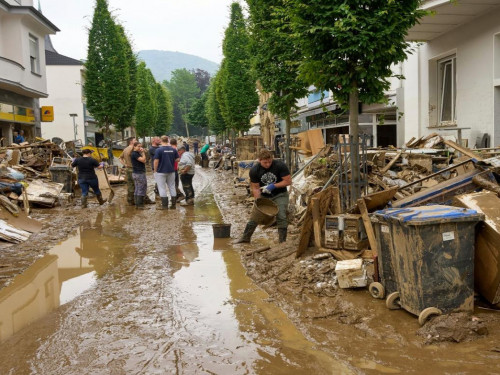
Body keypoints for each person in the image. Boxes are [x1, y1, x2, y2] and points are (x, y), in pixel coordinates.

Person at [235, 149, 292, 243]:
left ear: (272, 159)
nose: (268, 164)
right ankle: (245, 237)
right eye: (265, 162)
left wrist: (273, 186)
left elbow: (288, 181)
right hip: (265, 196)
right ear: (259, 160)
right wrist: (258, 201)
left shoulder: (280, 166)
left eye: (269, 162)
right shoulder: (254, 170)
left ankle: (282, 241)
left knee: (281, 215)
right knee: (255, 216)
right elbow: (256, 188)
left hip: (280, 194)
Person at [153, 135, 179, 209]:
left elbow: (156, 161)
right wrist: (170, 159)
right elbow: (178, 159)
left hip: (161, 171)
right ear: (168, 141)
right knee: (172, 187)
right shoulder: (173, 149)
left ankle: (164, 206)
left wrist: (155, 170)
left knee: (162, 188)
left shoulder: (159, 150)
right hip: (171, 171)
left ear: (161, 141)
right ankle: (173, 205)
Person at [118, 137, 136, 205]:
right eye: (135, 140)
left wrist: (125, 164)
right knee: (138, 185)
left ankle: (130, 200)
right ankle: (140, 200)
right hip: (134, 169)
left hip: (127, 169)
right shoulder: (133, 149)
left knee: (130, 185)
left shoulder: (125, 149)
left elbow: (120, 158)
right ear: (131, 142)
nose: (136, 141)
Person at [131, 141, 147, 209]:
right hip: (139, 173)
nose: (140, 148)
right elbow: (143, 160)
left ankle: (137, 204)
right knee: (141, 188)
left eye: (141, 146)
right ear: (134, 146)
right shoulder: (135, 154)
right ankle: (140, 205)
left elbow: (144, 160)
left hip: (136, 173)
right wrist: (143, 153)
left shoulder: (136, 153)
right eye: (138, 146)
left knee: (137, 188)